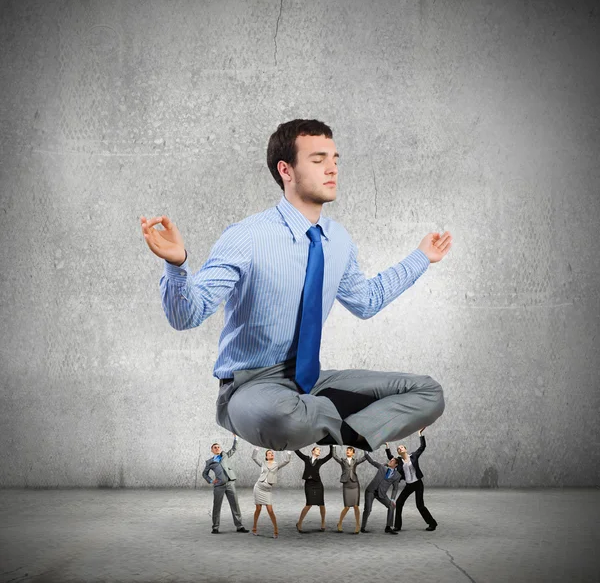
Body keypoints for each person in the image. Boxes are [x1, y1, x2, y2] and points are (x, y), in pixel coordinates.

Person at [141, 119, 451, 452]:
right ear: (286, 171)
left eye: (334, 159)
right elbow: (186, 316)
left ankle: (335, 421)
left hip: (312, 381)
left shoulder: (339, 240)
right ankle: (357, 422)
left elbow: (367, 301)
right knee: (282, 419)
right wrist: (176, 264)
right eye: (318, 161)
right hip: (250, 386)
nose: (332, 169)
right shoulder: (247, 237)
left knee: (429, 394)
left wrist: (421, 257)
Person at [385, 427, 437, 531]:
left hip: (418, 484)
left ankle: (432, 523)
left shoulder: (414, 456)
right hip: (409, 485)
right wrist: (387, 446)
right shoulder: (399, 461)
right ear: (399, 453)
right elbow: (390, 457)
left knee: (420, 505)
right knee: (399, 503)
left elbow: (422, 447)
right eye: (398, 449)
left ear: (405, 449)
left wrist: (419, 434)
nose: (400, 449)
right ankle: (397, 526)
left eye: (401, 447)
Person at [201, 435, 249, 534]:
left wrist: (235, 438)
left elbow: (234, 448)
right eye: (215, 447)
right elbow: (204, 474)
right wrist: (211, 481)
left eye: (218, 447)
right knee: (217, 506)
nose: (217, 448)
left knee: (235, 505)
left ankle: (239, 526)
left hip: (230, 483)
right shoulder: (209, 462)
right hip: (219, 486)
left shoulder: (225, 455)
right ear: (212, 450)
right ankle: (215, 527)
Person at [250, 447, 292, 538]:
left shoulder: (276, 465)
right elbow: (254, 457)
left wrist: (289, 450)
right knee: (258, 509)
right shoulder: (263, 464)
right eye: (269, 453)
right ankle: (254, 528)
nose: (271, 454)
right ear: (266, 456)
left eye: (272, 453)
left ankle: (276, 530)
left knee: (270, 510)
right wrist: (257, 447)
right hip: (258, 487)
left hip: (267, 490)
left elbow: (286, 461)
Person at [360, 452, 401, 534]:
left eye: (392, 461)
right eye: (390, 460)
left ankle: (388, 527)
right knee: (368, 510)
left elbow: (395, 488)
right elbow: (372, 461)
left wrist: (393, 499)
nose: (390, 461)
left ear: (396, 464)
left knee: (391, 506)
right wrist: (366, 453)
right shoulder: (382, 467)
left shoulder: (397, 475)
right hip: (371, 491)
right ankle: (363, 527)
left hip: (381, 494)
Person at [294, 446, 332, 532]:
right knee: (309, 504)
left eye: (320, 450)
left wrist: (331, 445)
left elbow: (330, 455)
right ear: (312, 451)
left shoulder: (320, 461)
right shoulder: (306, 459)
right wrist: (294, 443)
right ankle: (299, 523)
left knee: (321, 504)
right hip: (309, 484)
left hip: (318, 484)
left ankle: (323, 522)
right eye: (317, 449)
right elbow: (297, 451)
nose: (319, 451)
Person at [332, 445, 367, 534]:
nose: (348, 452)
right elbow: (334, 456)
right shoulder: (343, 461)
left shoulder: (355, 461)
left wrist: (365, 449)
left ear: (353, 453)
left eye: (350, 450)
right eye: (347, 450)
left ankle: (357, 525)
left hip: (355, 484)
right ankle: (339, 523)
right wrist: (334, 446)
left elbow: (364, 458)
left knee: (356, 506)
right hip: (346, 485)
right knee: (347, 507)